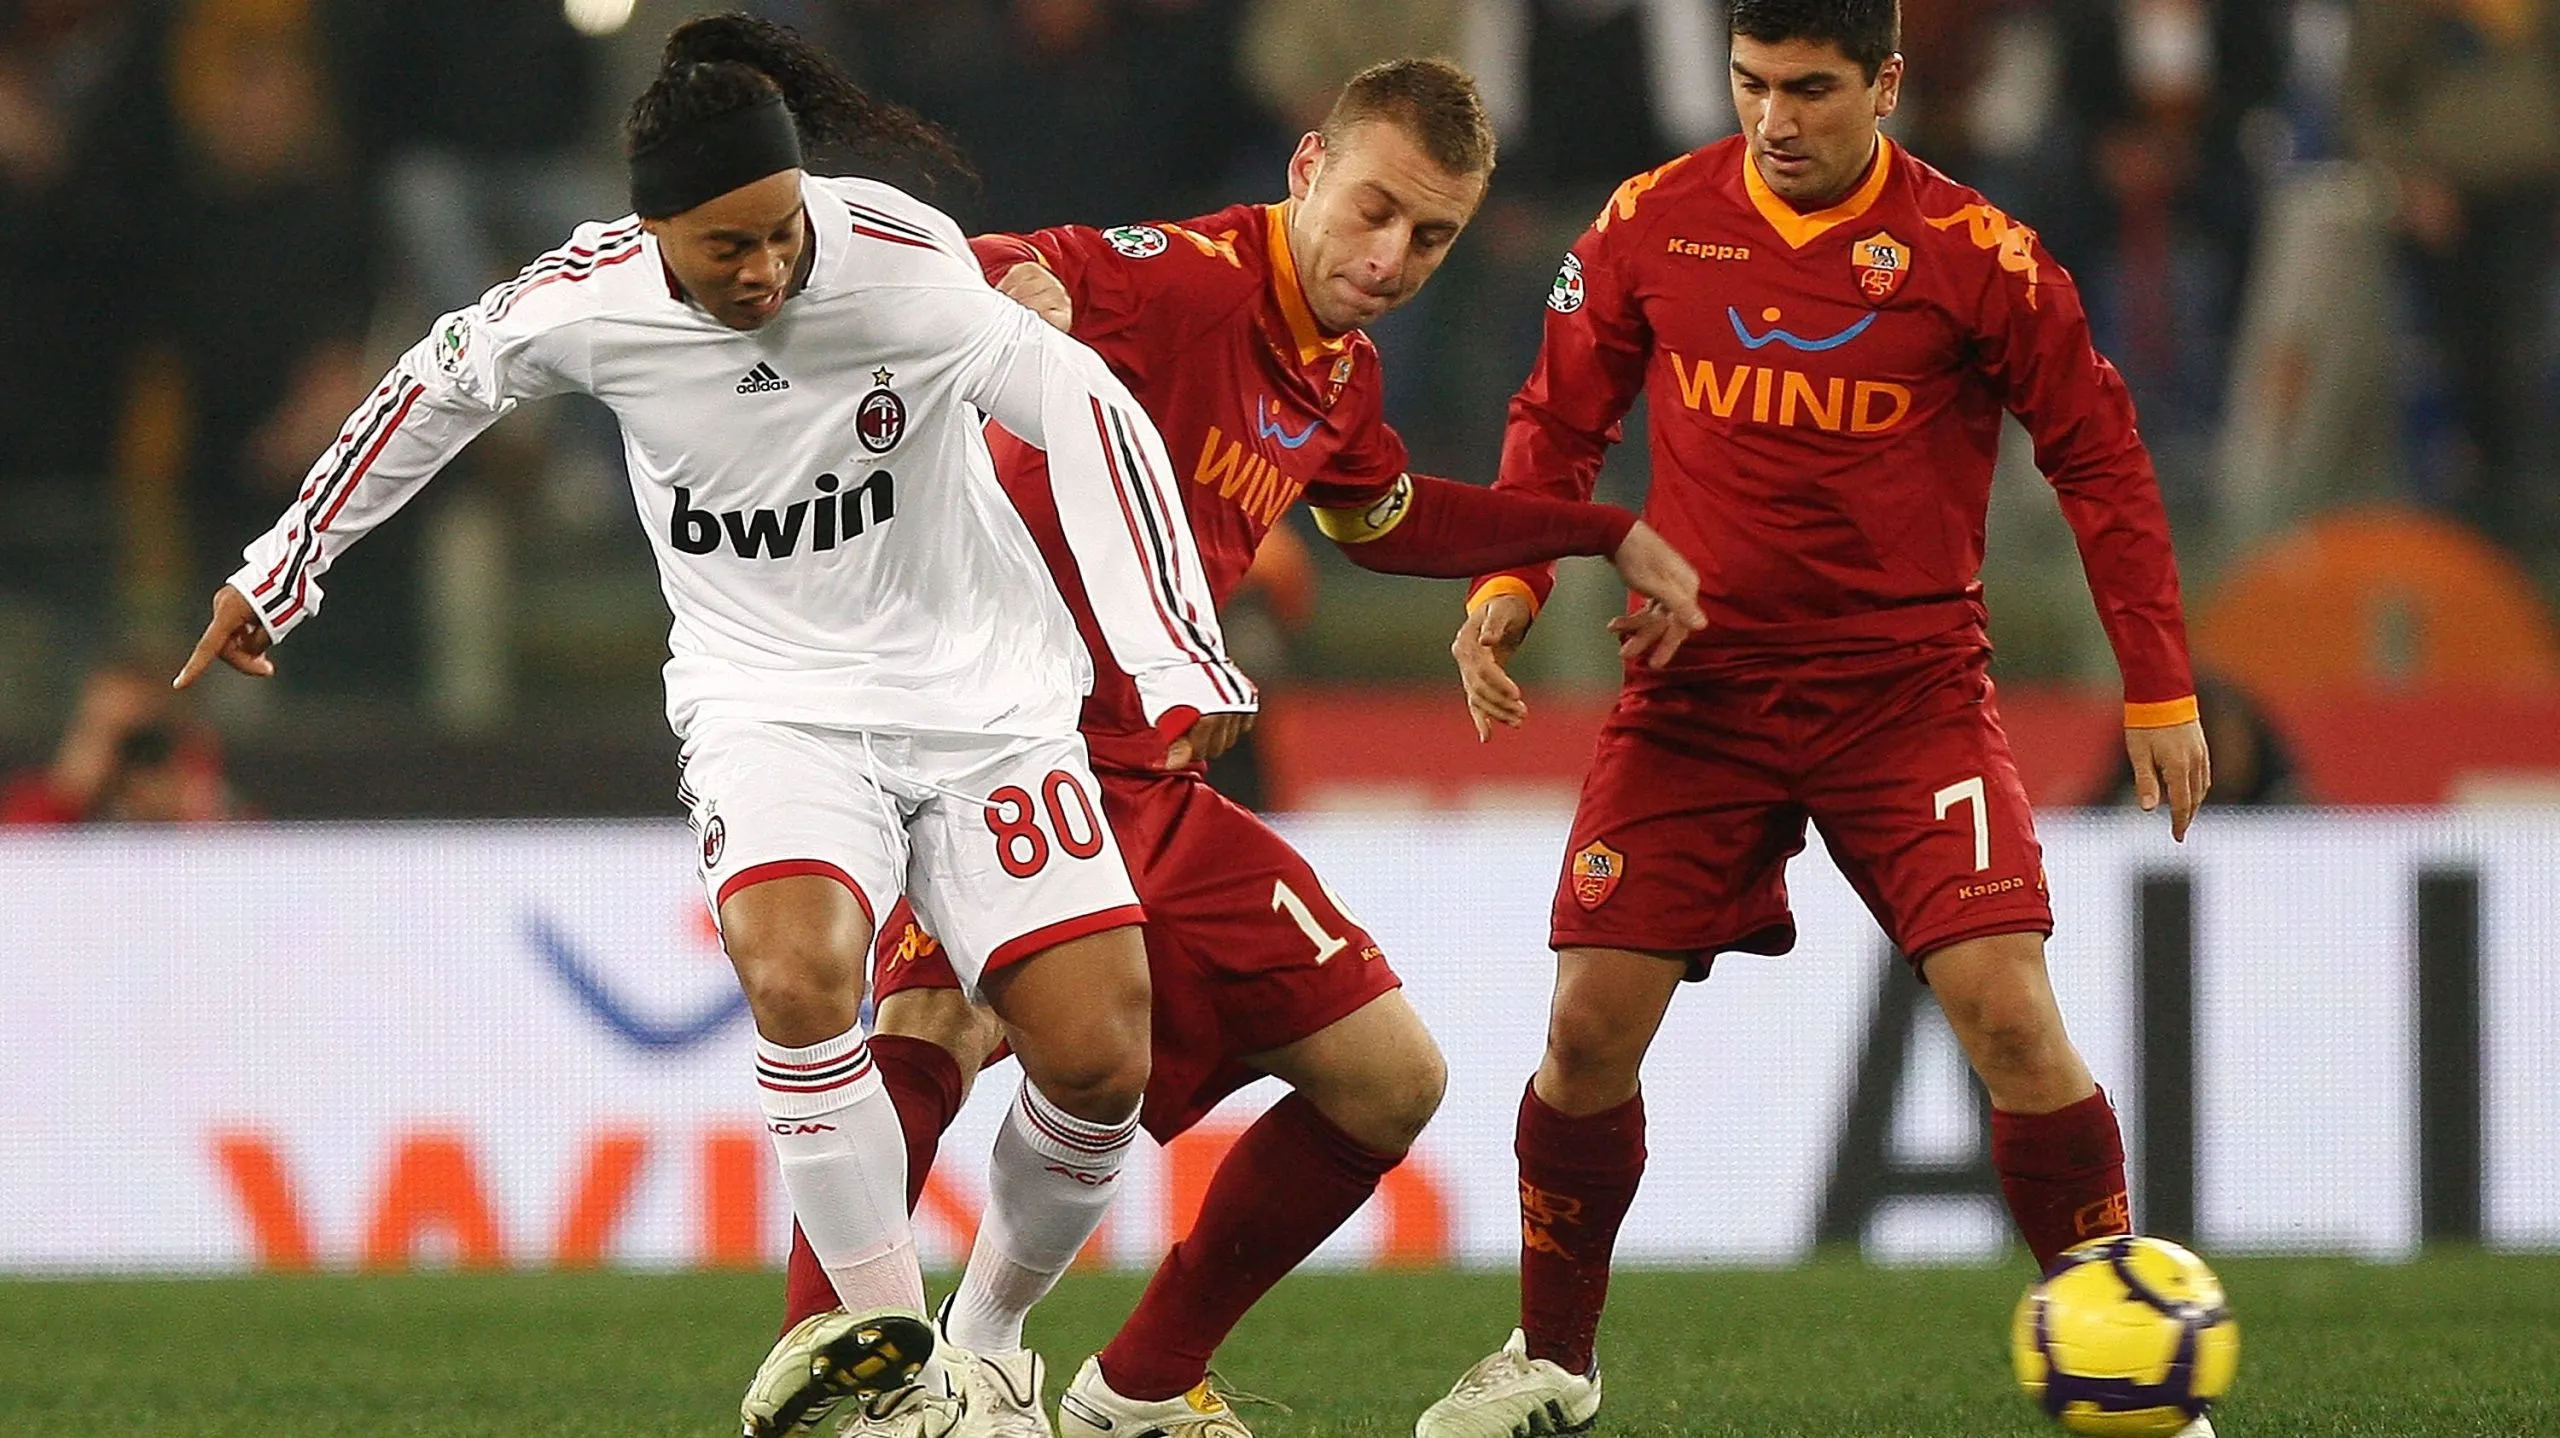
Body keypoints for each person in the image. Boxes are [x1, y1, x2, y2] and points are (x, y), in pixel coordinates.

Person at [168, 15, 1257, 1436]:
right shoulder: (588, 299)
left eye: (780, 234)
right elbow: (432, 384)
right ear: (654, 231)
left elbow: (1081, 403)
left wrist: (1173, 652)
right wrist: (281, 569)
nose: (766, 269)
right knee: (798, 979)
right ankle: (903, 1376)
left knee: (1102, 1053)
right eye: (725, 248)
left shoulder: (897, 262)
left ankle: (989, 1345)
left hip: (980, 695)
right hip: (772, 703)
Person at [766, 58, 1708, 1438]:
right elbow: (1019, 261)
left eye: (1432, 235)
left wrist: (1596, 530)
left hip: (1153, 777)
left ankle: (1131, 1391)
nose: (1390, 257)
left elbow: (1385, 521)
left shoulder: (1338, 369)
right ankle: (828, 1382)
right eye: (1375, 209)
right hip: (999, 747)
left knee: (1388, 1080)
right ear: (1309, 165)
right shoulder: (1193, 278)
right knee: (936, 1024)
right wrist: (1016, 291)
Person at [1418, 2, 2214, 1435]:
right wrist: (1508, 587)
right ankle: (1552, 1362)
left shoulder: (1979, 257)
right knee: (1588, 1029)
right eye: (1750, 84)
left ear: (1888, 84)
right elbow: (1559, 421)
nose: (1775, 118)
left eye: (1811, 89)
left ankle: (2125, 1363)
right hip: (1697, 694)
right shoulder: (1654, 220)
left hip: (1904, 697)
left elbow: (2099, 456)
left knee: (2012, 1019)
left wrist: (2156, 683)